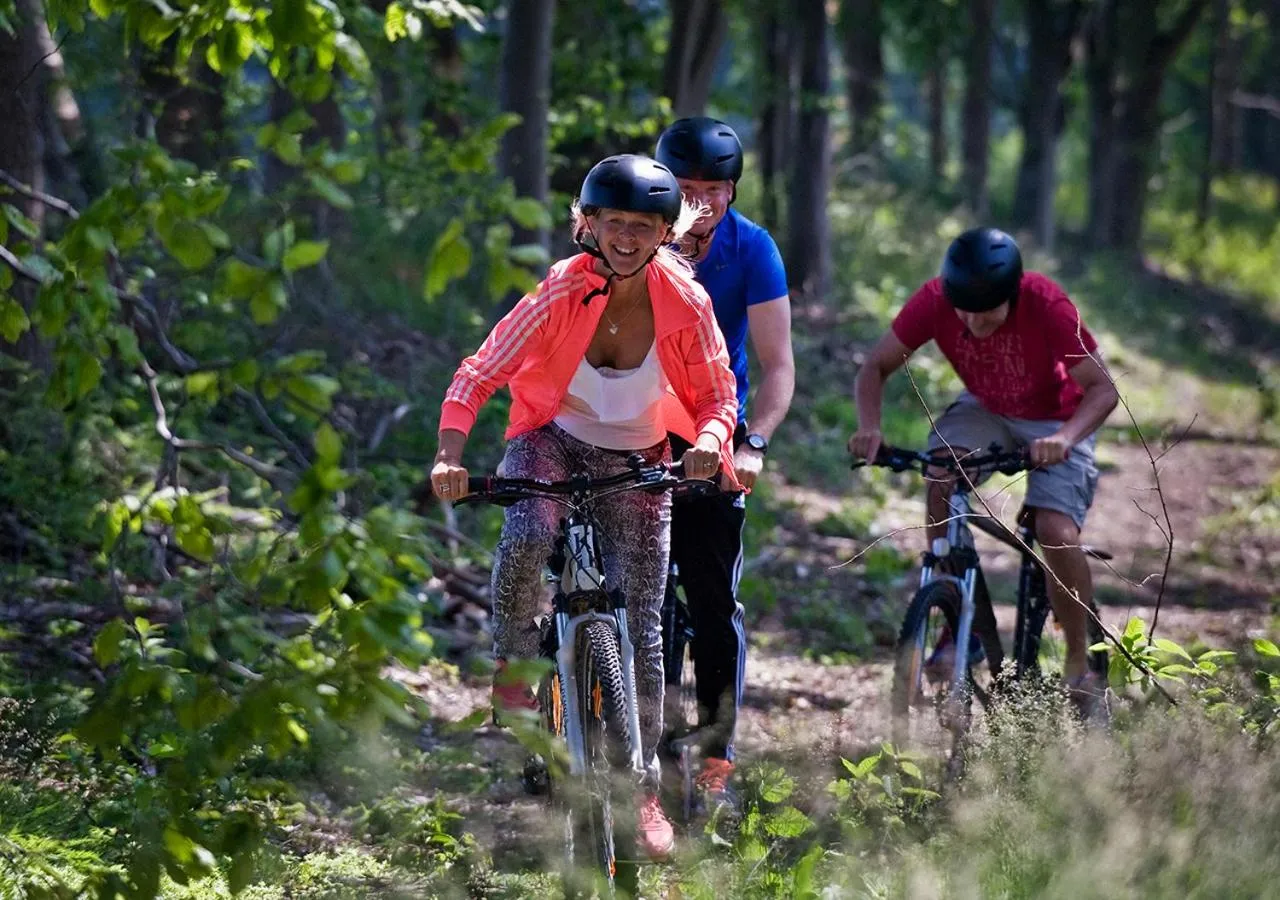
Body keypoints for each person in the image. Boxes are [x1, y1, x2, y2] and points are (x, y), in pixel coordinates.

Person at [429, 154, 741, 861]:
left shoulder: (686, 300)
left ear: (666, 231)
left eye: (643, 225)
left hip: (638, 459)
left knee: (647, 627)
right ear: (589, 224)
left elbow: (721, 396)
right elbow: (480, 371)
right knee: (530, 535)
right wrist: (450, 455)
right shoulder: (558, 292)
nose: (626, 237)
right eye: (613, 223)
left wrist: (710, 443)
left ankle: (646, 792)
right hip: (553, 441)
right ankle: (512, 670)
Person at [847, 227, 1118, 714]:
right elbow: (875, 367)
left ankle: (1079, 663)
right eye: (963, 310)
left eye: (987, 310)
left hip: (1058, 418)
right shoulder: (934, 301)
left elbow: (1102, 389)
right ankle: (955, 617)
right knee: (939, 474)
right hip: (987, 408)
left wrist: (1063, 439)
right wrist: (870, 427)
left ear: (1013, 294)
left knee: (1055, 530)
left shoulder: (1046, 303)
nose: (973, 322)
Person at [654, 117, 795, 810]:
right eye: (684, 190)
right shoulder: (631, 237)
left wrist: (754, 441)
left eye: (714, 190)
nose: (700, 204)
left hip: (714, 428)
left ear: (734, 191)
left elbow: (777, 367)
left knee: (712, 603)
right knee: (585, 573)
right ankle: (567, 711)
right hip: (630, 423)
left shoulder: (753, 250)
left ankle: (716, 758)